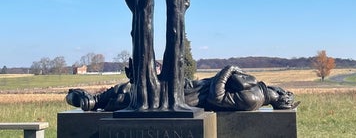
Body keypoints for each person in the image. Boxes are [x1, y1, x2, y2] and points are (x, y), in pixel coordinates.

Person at [66, 65, 299, 112]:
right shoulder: (258, 87)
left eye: (283, 92)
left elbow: (218, 97)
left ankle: (97, 102)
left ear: (279, 97)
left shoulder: (254, 99)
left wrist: (226, 71)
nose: (280, 89)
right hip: (194, 86)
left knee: (148, 92)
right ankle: (98, 100)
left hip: (195, 98)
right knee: (144, 87)